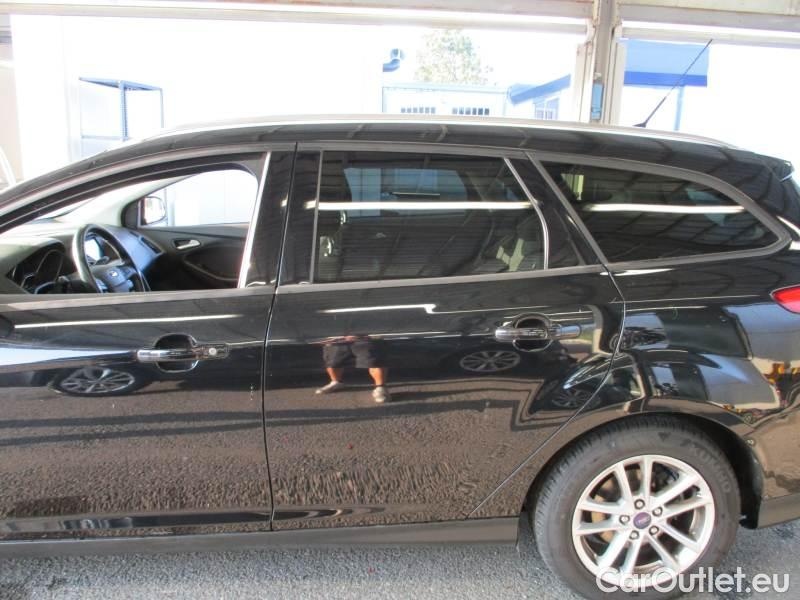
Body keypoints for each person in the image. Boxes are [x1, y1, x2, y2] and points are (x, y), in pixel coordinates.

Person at [315, 335, 390, 403]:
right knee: (332, 362)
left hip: (366, 338)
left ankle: (380, 387)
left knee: (374, 362)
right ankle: (336, 383)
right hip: (337, 338)